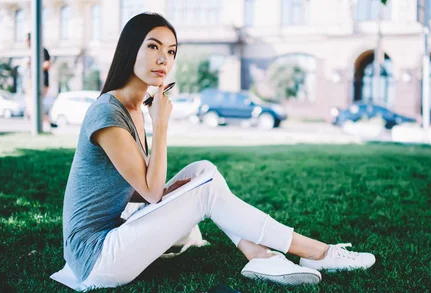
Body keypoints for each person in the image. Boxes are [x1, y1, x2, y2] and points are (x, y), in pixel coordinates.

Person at [58, 12, 376, 290]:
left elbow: (130, 188)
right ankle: (317, 253)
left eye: (171, 51)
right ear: (130, 50)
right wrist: (162, 126)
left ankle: (261, 255)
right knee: (205, 189)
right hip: (96, 257)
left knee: (202, 171)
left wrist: (176, 193)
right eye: (153, 46)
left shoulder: (133, 109)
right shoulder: (108, 114)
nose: (163, 59)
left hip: (114, 235)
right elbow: (152, 193)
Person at [24, 33, 53, 126]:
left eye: (27, 40)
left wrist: (35, 66)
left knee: (34, 104)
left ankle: (46, 122)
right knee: (30, 105)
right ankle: (46, 122)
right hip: (31, 81)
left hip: (41, 81)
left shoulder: (42, 50)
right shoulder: (30, 52)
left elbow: (48, 65)